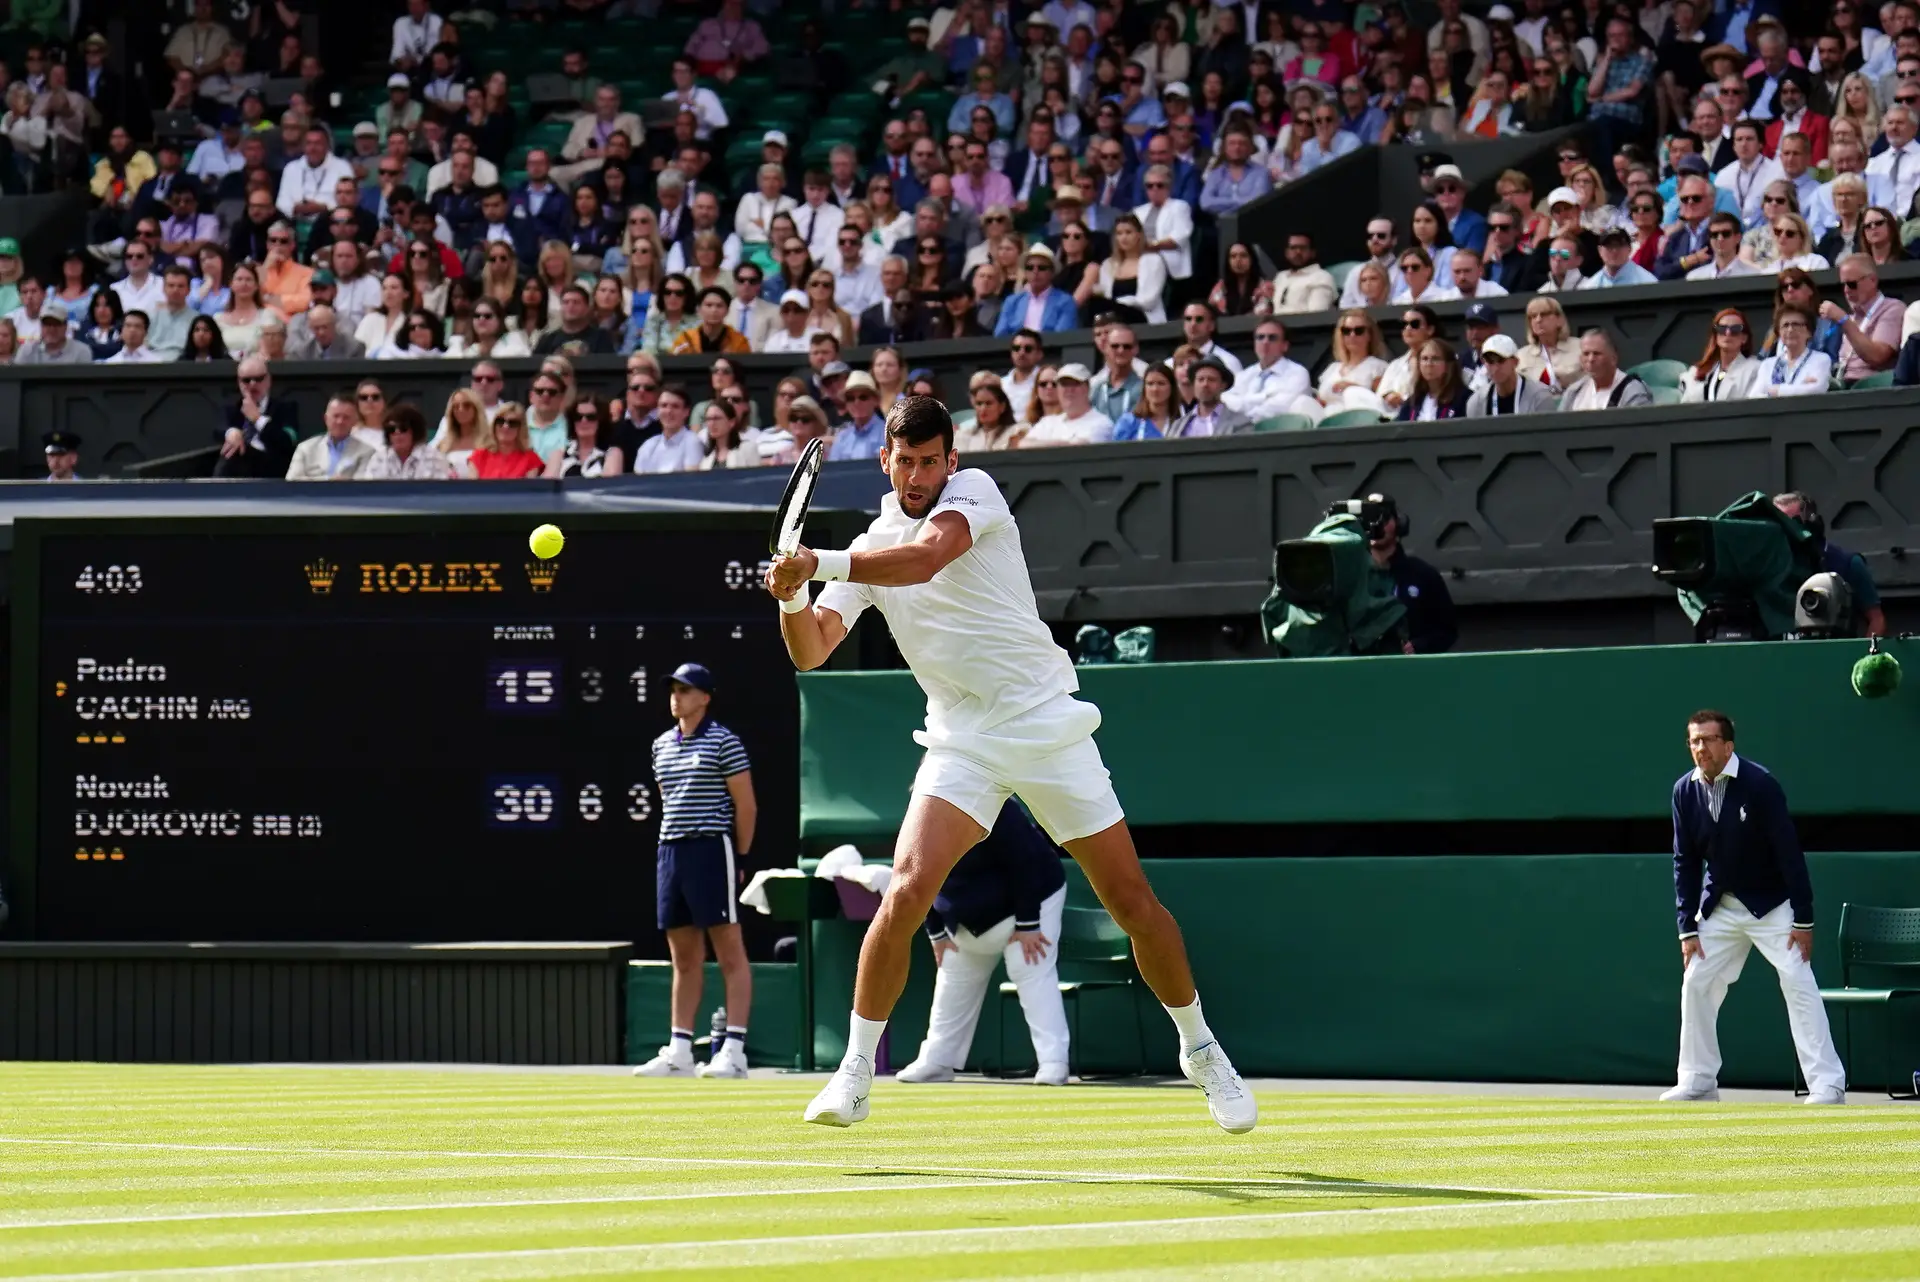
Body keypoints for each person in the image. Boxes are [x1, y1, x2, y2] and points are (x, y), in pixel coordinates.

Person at [766, 397, 1256, 1133]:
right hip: (962, 740)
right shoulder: (871, 546)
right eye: (907, 461)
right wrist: (793, 595)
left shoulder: (974, 496)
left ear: (952, 460)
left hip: (1045, 724)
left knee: (1131, 903)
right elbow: (812, 649)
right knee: (904, 892)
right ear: (886, 462)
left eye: (933, 461)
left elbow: (927, 557)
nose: (921, 474)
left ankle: (1201, 1049)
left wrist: (819, 561)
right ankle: (856, 1072)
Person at [1663, 710, 1845, 1105]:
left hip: (1772, 905)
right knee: (1696, 982)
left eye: (1709, 740)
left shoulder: (1760, 785)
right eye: (1694, 741)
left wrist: (1803, 918)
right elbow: (1686, 860)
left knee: (1797, 980)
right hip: (1720, 907)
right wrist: (1687, 928)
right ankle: (1697, 1079)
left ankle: (1827, 1084)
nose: (1700, 748)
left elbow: (1788, 852)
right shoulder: (1684, 791)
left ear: (1728, 746)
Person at [631, 663, 757, 1080]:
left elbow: (746, 805)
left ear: (705, 697)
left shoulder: (725, 742)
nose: (677, 697)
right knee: (683, 955)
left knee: (728, 949)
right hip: (671, 851)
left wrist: (738, 858)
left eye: (686, 690)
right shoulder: (660, 745)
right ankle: (680, 1050)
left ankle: (734, 1050)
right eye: (674, 690)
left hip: (711, 849)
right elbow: (669, 800)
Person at [894, 800, 1072, 1086]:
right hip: (965, 916)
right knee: (954, 974)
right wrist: (936, 932)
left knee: (1029, 968)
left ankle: (1054, 1062)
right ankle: (937, 1061)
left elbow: (1024, 862)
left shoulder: (999, 808)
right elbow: (912, 874)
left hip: (1032, 900)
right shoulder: (919, 814)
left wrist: (1029, 924)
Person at [1366, 494, 1457, 653]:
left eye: (1384, 518)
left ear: (1399, 524)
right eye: (1370, 519)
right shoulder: (1353, 575)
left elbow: (1447, 631)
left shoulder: (1423, 575)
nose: (1376, 525)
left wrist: (1418, 646)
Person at [1223, 321, 1312, 421]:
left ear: (1285, 345)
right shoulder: (1244, 375)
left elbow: (1277, 409)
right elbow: (1225, 401)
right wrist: (1263, 397)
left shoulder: (1298, 373)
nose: (1265, 342)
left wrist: (1243, 410)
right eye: (1260, 337)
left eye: (1272, 338)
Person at [286, 390, 375, 481]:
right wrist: (328, 480)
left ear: (354, 421)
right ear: (326, 419)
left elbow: (362, 485)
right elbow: (292, 480)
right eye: (336, 416)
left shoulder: (366, 451)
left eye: (346, 417)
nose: (340, 422)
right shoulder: (305, 448)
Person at [1749, 304, 1833, 397]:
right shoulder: (1767, 364)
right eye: (1785, 325)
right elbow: (1754, 396)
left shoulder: (1820, 359)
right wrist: (1801, 387)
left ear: (1809, 332)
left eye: (1796, 324)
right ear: (1779, 333)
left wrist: (1776, 390)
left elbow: (1817, 389)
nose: (1790, 329)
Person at [1560, 330, 1654, 412]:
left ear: (1613, 359)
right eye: (1586, 354)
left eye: (1597, 354)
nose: (1590, 359)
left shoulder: (1633, 391)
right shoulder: (1574, 391)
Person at [1466, 334, 1558, 416]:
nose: (1495, 368)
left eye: (1501, 360)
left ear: (1515, 362)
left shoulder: (1540, 396)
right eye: (1490, 362)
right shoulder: (1476, 402)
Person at [1022, 363, 1113, 447]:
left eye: (1075, 384)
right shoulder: (1048, 422)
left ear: (1087, 388)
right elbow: (1024, 445)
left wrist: (1045, 443)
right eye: (1064, 384)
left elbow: (1079, 449)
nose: (1069, 389)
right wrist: (1063, 443)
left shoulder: (1101, 422)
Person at [1681, 309, 1761, 403]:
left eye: (1735, 329)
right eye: (1722, 329)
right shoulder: (1697, 371)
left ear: (1744, 338)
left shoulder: (1755, 369)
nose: (1727, 333)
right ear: (1715, 336)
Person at [1171, 358, 1255, 437]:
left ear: (1223, 385)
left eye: (1211, 380)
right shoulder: (1178, 426)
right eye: (1200, 379)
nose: (1205, 384)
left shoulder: (1240, 423)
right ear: (1194, 385)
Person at [634, 385, 708, 473]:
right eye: (664, 405)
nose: (669, 411)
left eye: (675, 406)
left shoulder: (693, 442)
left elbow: (691, 482)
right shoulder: (648, 446)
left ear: (686, 412)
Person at [1394, 339, 1471, 421]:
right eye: (1424, 359)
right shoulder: (1412, 402)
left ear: (1448, 365)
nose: (1429, 364)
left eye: (1435, 359)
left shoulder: (1464, 399)